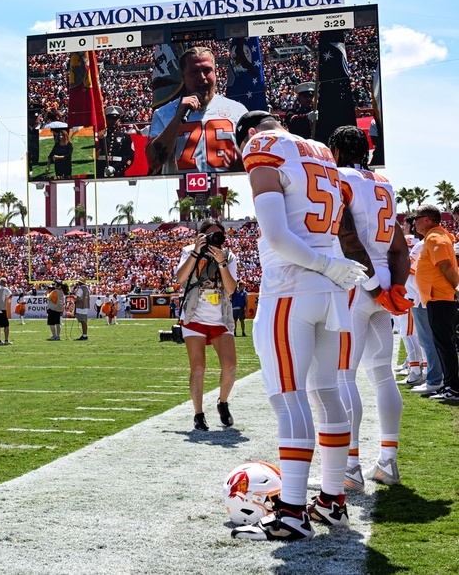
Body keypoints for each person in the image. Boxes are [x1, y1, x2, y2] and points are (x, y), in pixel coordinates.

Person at [231, 110, 366, 542]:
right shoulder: (324, 151)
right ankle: (331, 502)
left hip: (291, 287)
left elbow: (276, 235)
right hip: (330, 291)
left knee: (289, 398)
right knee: (327, 392)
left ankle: (290, 513)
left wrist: (325, 264)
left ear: (250, 134)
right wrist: (333, 267)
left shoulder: (261, 145)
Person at [328, 125, 413, 489]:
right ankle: (388, 462)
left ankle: (350, 468)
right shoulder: (385, 183)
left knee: (343, 377)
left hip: (355, 283)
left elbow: (347, 237)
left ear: (336, 151)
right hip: (381, 279)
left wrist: (376, 287)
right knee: (383, 375)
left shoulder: (340, 178)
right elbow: (398, 246)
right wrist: (394, 287)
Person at [175, 219, 239, 432]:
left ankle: (223, 402)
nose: (214, 240)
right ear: (200, 236)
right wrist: (195, 252)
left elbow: (230, 289)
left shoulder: (229, 256)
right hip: (194, 315)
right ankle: (198, 414)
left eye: (218, 236)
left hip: (220, 316)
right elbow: (180, 278)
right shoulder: (189, 251)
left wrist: (221, 263)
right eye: (209, 235)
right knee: (199, 368)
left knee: (230, 367)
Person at [146, 46, 250, 175]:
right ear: (183, 76)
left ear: (215, 72)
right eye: (194, 72)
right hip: (180, 192)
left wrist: (244, 164)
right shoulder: (163, 114)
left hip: (227, 192)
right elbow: (153, 161)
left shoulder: (237, 111)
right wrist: (178, 117)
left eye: (207, 70)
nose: (202, 77)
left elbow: (254, 159)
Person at [413, 204, 459, 403]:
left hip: (440, 297)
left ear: (427, 219)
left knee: (445, 344)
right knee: (444, 344)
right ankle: (448, 385)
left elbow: (446, 266)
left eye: (417, 217)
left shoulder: (434, 238)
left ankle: (453, 388)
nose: (414, 221)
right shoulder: (437, 236)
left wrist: (458, 288)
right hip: (437, 297)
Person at [97, 105, 135, 178]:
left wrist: (116, 168)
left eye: (115, 119)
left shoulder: (125, 137)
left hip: (117, 173)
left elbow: (129, 157)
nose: (112, 121)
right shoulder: (99, 136)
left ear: (119, 121)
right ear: (106, 120)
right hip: (100, 171)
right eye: (110, 119)